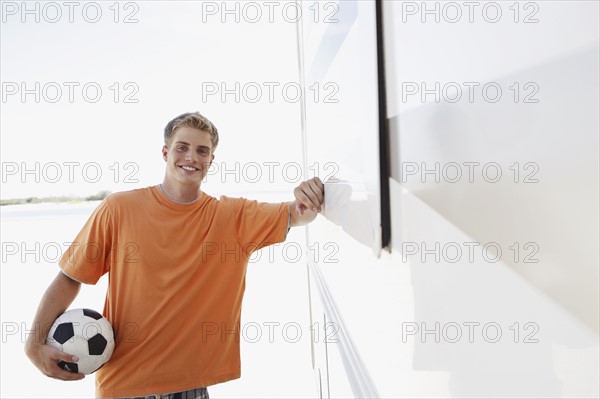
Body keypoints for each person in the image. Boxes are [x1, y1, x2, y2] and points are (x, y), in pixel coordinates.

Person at [24, 112, 325, 399]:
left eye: (202, 150)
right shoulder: (119, 209)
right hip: (123, 383)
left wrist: (307, 199)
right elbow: (70, 276)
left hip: (190, 384)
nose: (191, 157)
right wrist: (33, 344)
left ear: (211, 160)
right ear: (166, 153)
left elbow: (296, 215)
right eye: (182, 147)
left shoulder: (233, 217)